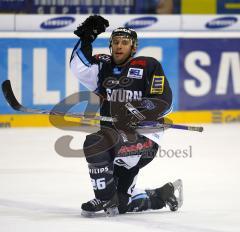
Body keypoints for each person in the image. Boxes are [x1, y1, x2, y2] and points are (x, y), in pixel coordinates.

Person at [70, 15, 183, 217]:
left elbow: (164, 102)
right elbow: (79, 67)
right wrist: (86, 39)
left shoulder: (148, 65)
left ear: (134, 47)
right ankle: (161, 194)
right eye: (115, 42)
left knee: (95, 143)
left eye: (125, 42)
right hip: (115, 138)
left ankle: (104, 197)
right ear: (111, 45)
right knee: (121, 204)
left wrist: (138, 113)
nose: (119, 46)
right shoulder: (103, 67)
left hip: (143, 139)